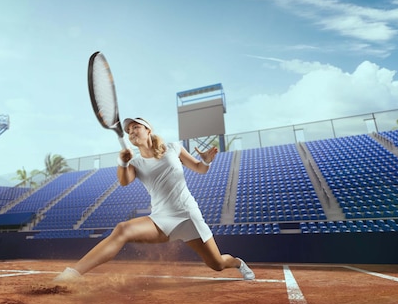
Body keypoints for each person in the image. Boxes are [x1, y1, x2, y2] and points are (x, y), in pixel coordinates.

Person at [54, 117, 254, 282]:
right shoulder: (134, 162)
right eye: (129, 130)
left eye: (136, 127)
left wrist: (206, 161)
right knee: (122, 229)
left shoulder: (174, 148)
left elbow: (200, 169)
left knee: (217, 264)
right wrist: (122, 163)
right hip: (161, 219)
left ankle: (238, 263)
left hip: (189, 216)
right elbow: (124, 182)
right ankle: (72, 274)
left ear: (148, 130)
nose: (132, 132)